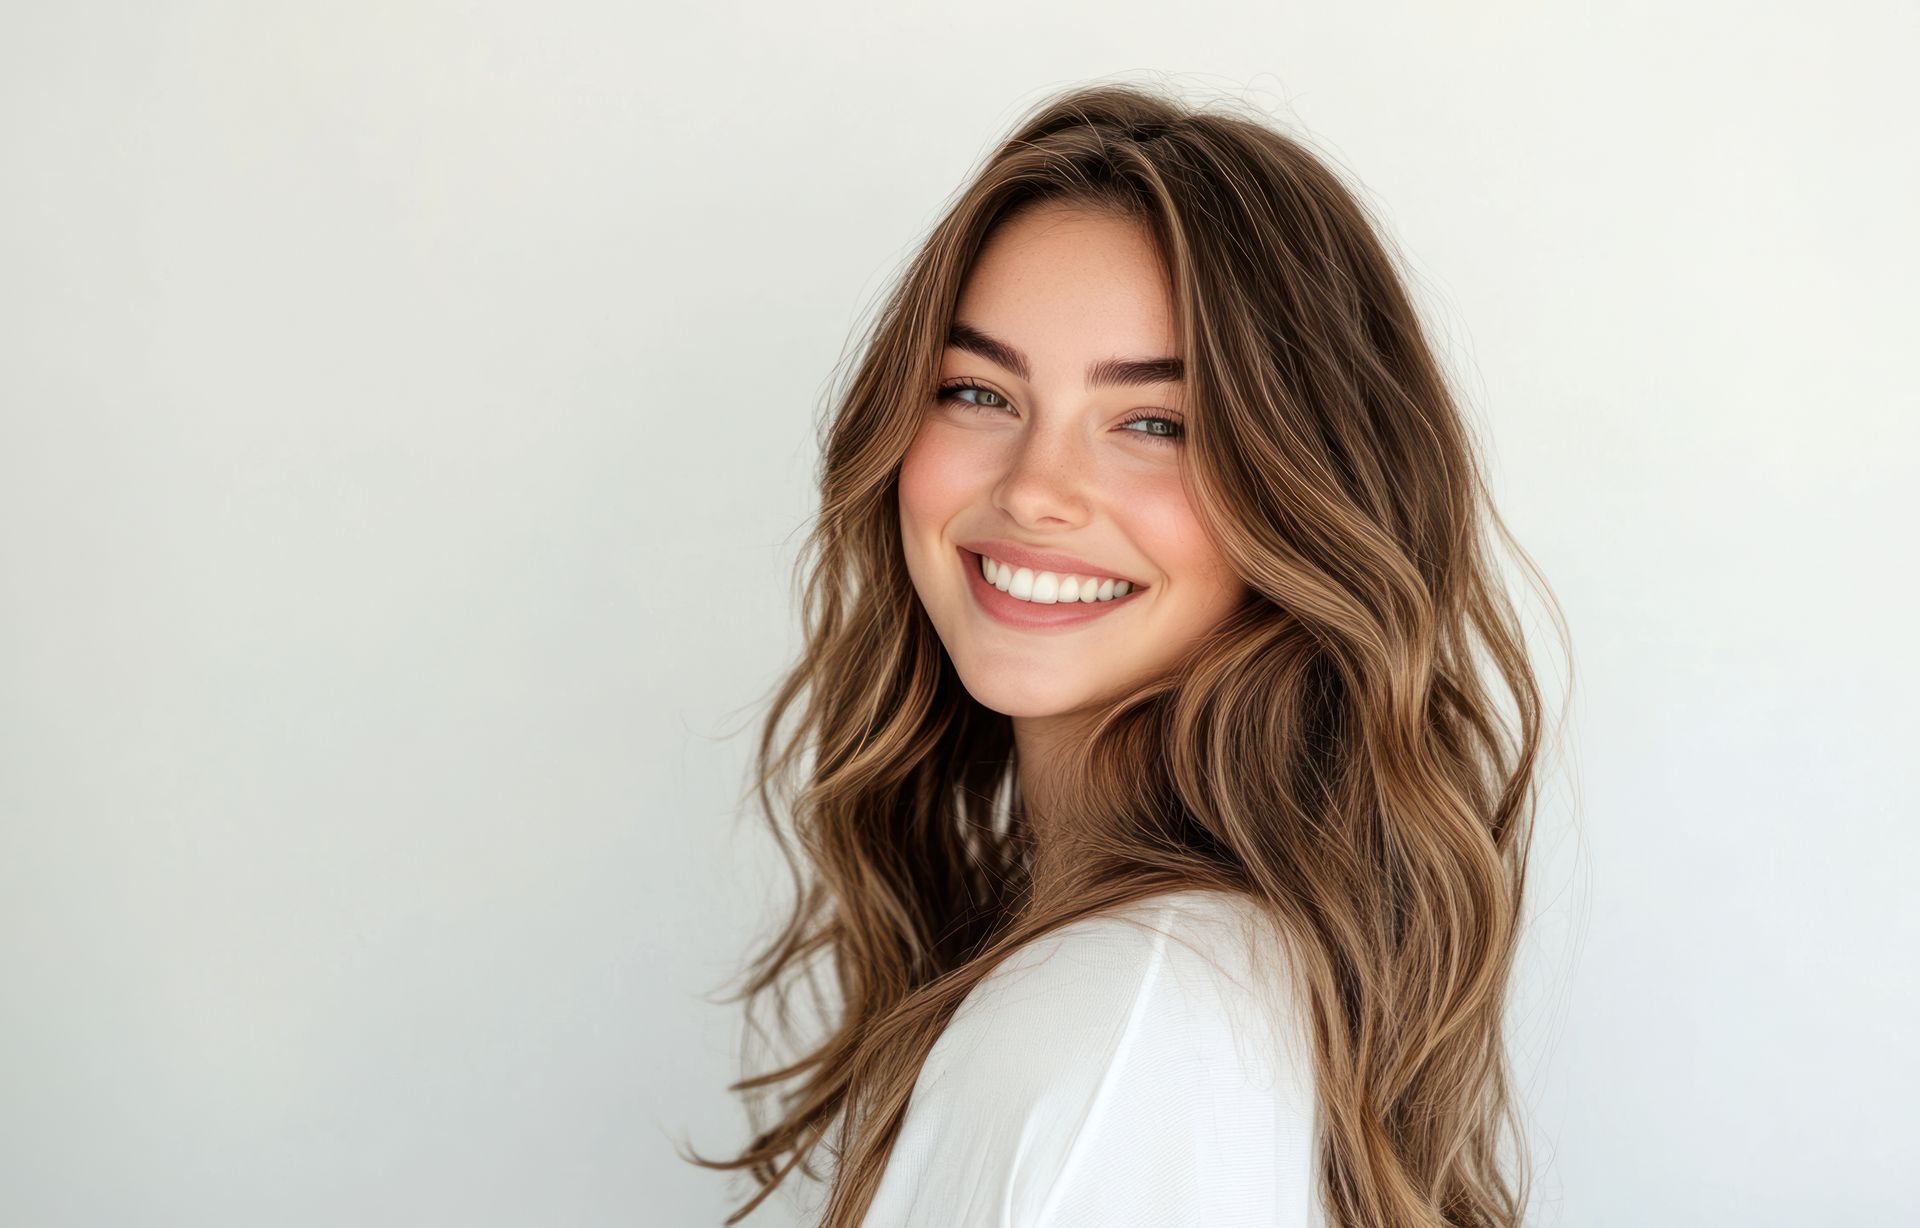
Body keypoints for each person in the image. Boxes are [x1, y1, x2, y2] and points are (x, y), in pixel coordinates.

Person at [686, 80, 1567, 1228]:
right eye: (977, 392)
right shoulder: (1187, 985)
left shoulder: (1125, 1020)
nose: (1035, 490)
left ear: (1313, 493)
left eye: (1155, 423)